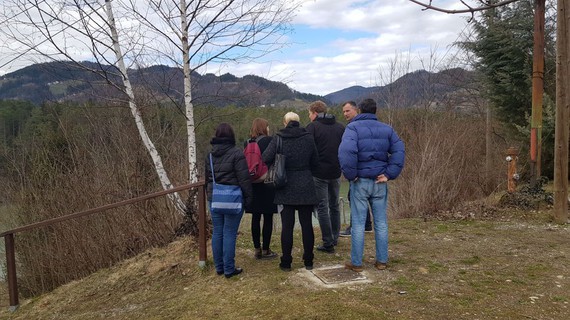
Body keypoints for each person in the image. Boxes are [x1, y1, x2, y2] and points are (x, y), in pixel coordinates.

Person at [338, 98, 405, 272]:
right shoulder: (387, 129)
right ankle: (381, 261)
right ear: (375, 110)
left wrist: (351, 175)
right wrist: (390, 174)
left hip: (360, 182)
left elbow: (346, 152)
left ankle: (357, 263)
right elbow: (399, 150)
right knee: (381, 222)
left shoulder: (352, 128)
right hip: (379, 181)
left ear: (359, 110)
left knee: (358, 223)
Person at [263, 112, 319, 271]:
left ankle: (286, 262)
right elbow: (316, 161)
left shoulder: (279, 137)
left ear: (285, 122)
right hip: (305, 184)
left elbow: (265, 157)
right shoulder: (308, 137)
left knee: (287, 226)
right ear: (298, 122)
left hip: (284, 184)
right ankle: (308, 261)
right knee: (306, 225)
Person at [205, 123, 253, 278]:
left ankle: (219, 267)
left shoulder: (210, 156)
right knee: (230, 233)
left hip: (215, 199)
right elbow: (244, 179)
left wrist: (209, 196)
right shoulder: (237, 153)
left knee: (217, 232)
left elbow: (207, 180)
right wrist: (249, 198)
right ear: (231, 136)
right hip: (233, 199)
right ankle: (229, 269)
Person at [306, 101, 345, 254]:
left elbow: (307, 149)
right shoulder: (340, 127)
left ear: (315, 112)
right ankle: (335, 237)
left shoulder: (313, 127)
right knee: (334, 205)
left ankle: (327, 242)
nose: (309, 117)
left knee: (323, 206)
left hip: (319, 173)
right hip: (336, 172)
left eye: (309, 113)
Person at [245, 118, 278, 260]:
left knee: (255, 217)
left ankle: (256, 249)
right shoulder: (271, 141)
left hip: (252, 183)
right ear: (265, 128)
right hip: (267, 182)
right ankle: (266, 249)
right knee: (268, 217)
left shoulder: (247, 142)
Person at [339, 101, 372, 237]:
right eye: (344, 112)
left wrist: (351, 172)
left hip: (360, 169)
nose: (345, 114)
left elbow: (350, 151)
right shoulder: (357, 125)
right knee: (363, 198)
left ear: (356, 110)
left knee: (354, 197)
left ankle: (355, 227)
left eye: (348, 111)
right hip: (367, 168)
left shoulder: (354, 127)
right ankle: (367, 225)